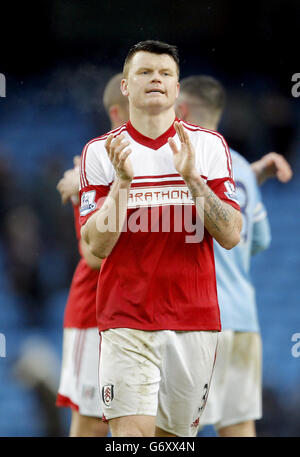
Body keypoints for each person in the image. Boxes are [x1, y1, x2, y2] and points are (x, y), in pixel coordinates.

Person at [79, 40, 242, 437]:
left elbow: (232, 234)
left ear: (176, 87)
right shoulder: (101, 152)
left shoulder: (206, 146)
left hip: (194, 320)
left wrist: (193, 180)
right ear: (125, 86)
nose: (156, 79)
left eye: (166, 73)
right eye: (145, 72)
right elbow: (95, 247)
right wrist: (122, 184)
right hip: (125, 320)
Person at [175, 75, 292, 437]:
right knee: (238, 427)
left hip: (191, 317)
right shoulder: (240, 167)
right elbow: (258, 241)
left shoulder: (169, 166)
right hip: (241, 318)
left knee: (177, 431)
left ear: (181, 110)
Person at [55, 73, 129, 437]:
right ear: (118, 112)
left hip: (138, 312)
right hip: (95, 312)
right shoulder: (97, 159)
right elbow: (93, 255)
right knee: (91, 426)